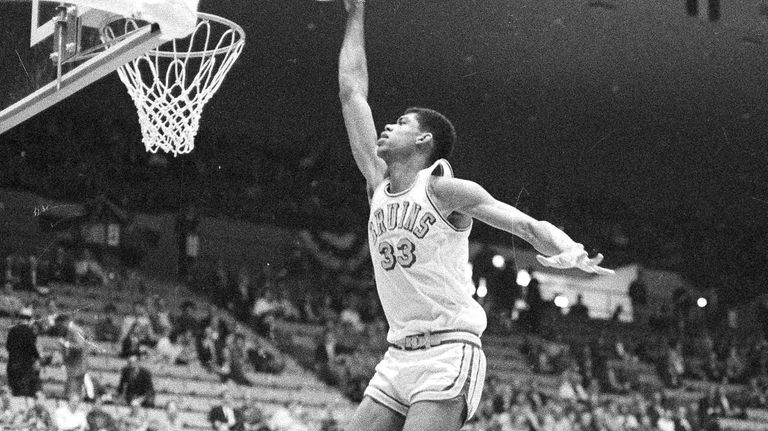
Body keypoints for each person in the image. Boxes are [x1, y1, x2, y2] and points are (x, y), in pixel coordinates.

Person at [337, 1, 614, 429]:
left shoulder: (442, 189)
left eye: (401, 122)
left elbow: (523, 223)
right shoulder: (377, 182)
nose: (387, 127)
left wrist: (569, 248)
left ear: (423, 140)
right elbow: (352, 92)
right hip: (397, 355)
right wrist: (355, 14)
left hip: (449, 351)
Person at [6, 306, 42, 397]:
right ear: (30, 319)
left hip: (12, 365)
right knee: (23, 392)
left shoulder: (12, 330)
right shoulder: (30, 332)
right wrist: (38, 357)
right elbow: (32, 348)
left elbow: (7, 347)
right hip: (24, 367)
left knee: (14, 391)